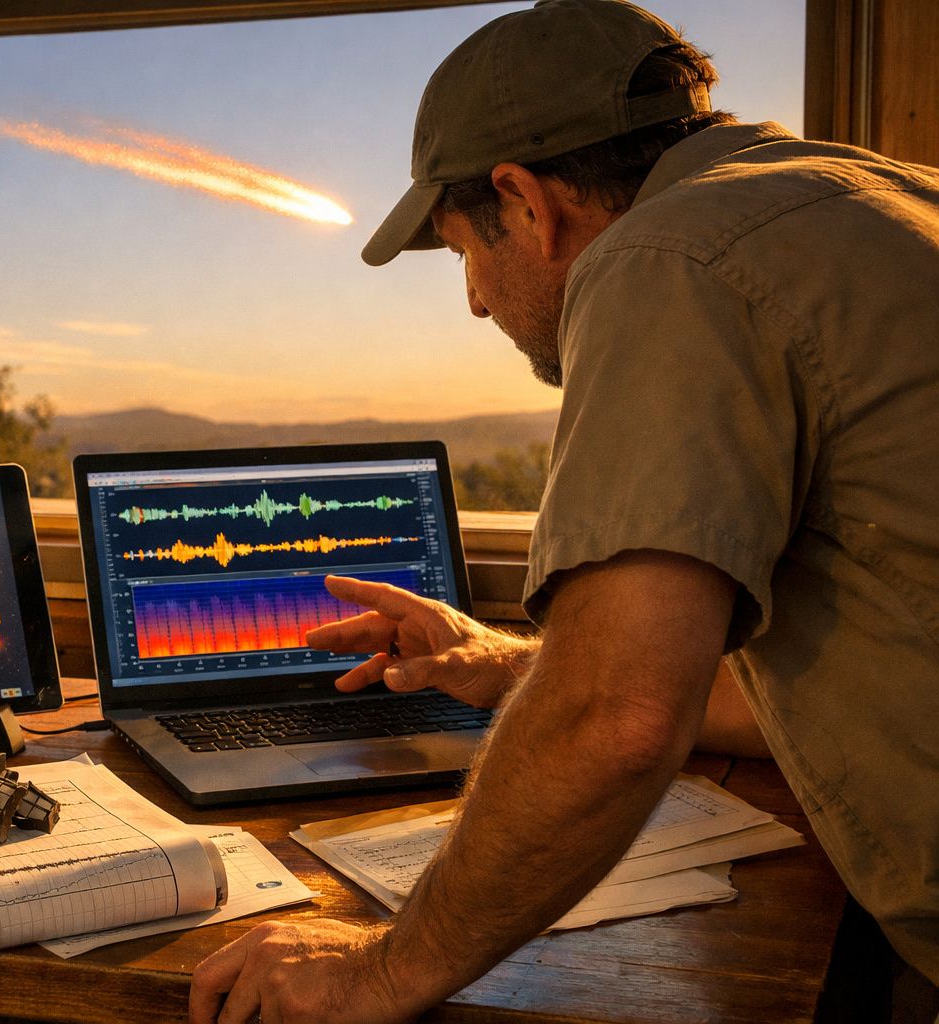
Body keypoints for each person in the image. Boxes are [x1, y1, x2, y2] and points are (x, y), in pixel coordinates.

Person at [187, 1, 939, 1021]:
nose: (477, 303)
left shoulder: (664, 259)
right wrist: (511, 665)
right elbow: (842, 658)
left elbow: (619, 719)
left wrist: (379, 969)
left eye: (463, 252)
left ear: (525, 202)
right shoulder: (877, 198)